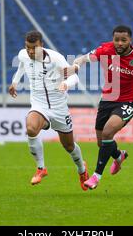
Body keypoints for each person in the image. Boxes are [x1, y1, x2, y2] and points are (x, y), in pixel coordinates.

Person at [71, 25, 133, 190]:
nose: (119, 43)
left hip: (128, 102)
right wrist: (77, 64)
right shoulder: (105, 49)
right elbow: (83, 58)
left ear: (130, 40)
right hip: (107, 100)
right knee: (102, 142)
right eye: (116, 39)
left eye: (123, 40)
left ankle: (96, 176)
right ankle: (119, 155)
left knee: (108, 132)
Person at [9, 30, 90, 190]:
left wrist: (66, 84)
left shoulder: (56, 58)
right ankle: (41, 168)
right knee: (31, 128)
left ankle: (82, 170)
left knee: (68, 146)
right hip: (39, 105)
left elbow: (74, 77)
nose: (30, 51)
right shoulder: (23, 55)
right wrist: (15, 82)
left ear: (42, 45)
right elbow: (22, 66)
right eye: (28, 47)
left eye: (34, 48)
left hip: (59, 108)